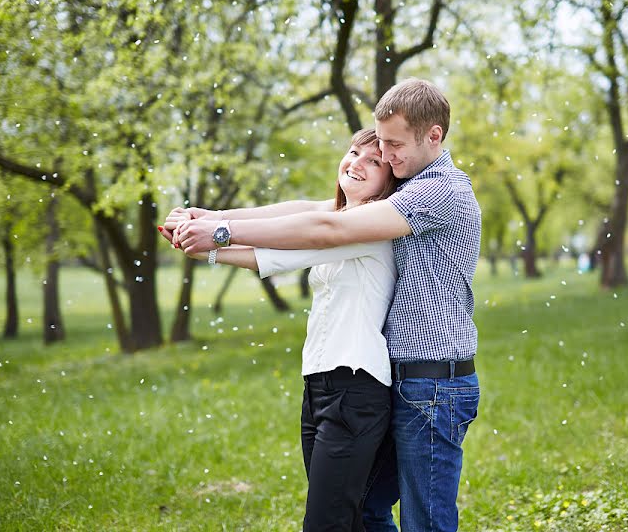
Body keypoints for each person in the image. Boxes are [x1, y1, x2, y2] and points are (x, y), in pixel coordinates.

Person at [162, 78, 482, 531]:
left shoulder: (439, 191)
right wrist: (213, 219)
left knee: (423, 523)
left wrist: (219, 235)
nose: (386, 156)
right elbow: (310, 210)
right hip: (397, 381)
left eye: (392, 146)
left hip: (433, 386)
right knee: (364, 511)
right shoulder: (406, 188)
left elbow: (324, 230)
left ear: (433, 136)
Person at [181, 128, 399, 531]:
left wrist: (215, 241)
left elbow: (286, 252)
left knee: (326, 523)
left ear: (389, 180)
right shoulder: (339, 216)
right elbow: (289, 213)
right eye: (354, 152)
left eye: (375, 161)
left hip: (356, 389)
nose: (357, 163)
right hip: (320, 387)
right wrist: (206, 224)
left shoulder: (371, 227)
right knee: (345, 520)